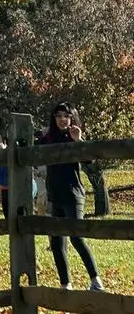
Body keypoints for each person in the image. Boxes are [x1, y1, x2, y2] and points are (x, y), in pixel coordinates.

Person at [40, 102, 105, 291]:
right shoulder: (48, 138)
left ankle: (95, 281)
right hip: (54, 193)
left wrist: (79, 140)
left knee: (77, 237)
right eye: (59, 116)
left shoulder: (74, 135)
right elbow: (33, 149)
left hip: (73, 193)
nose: (62, 119)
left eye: (66, 116)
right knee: (57, 240)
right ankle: (65, 284)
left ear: (72, 118)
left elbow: (89, 159)